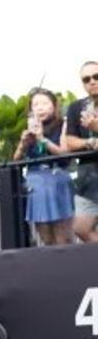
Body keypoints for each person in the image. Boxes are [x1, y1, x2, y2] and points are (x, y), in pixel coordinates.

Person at [13, 88, 73, 246]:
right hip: (35, 184)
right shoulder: (29, 129)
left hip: (56, 180)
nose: (40, 107)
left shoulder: (63, 124)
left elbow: (64, 154)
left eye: (45, 103)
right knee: (46, 237)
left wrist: (42, 138)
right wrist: (23, 144)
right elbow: (15, 161)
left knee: (63, 238)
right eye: (35, 104)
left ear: (54, 105)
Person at [63, 61, 98, 243]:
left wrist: (95, 126)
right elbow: (69, 142)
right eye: (87, 79)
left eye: (96, 76)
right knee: (81, 228)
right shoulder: (76, 107)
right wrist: (91, 142)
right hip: (88, 177)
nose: (92, 81)